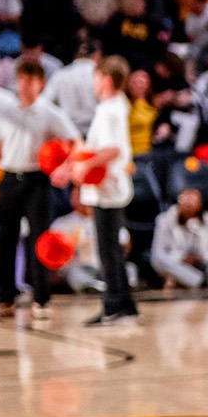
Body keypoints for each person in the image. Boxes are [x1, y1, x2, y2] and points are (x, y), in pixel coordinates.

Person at [0, 57, 79, 322]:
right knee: (4, 239)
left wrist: (65, 168)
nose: (25, 84)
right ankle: (3, 298)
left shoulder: (49, 113)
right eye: (21, 78)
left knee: (39, 240)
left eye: (31, 79)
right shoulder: (5, 112)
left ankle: (41, 299)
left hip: (37, 180)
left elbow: (76, 141)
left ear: (41, 83)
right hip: (9, 177)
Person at [77, 55, 138, 324]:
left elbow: (114, 150)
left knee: (108, 250)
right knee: (112, 248)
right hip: (109, 187)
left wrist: (84, 165)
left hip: (108, 189)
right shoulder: (114, 107)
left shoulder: (110, 110)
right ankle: (125, 302)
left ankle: (113, 304)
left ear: (106, 79)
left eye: (95, 76)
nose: (93, 82)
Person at [151, 188, 208, 288]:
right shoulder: (164, 220)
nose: (189, 206)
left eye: (193, 201)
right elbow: (158, 253)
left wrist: (201, 258)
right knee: (158, 261)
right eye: (186, 201)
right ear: (178, 203)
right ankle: (202, 280)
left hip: (207, 265)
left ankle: (187, 280)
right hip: (179, 264)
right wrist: (182, 258)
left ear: (200, 204)